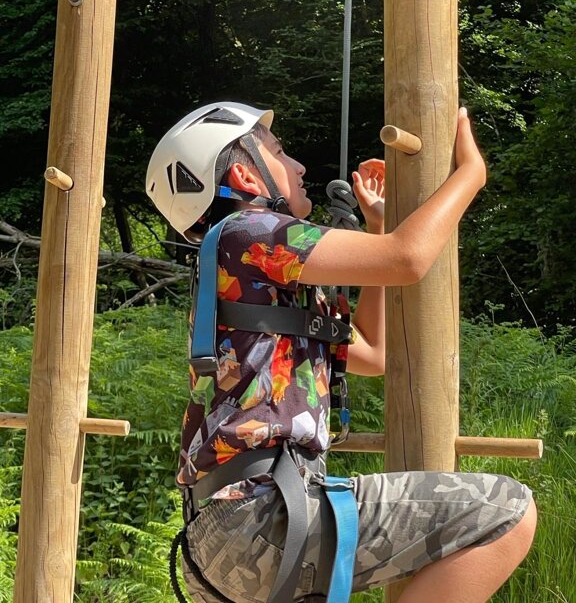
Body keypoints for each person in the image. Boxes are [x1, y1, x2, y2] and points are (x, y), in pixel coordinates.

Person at [146, 102, 536, 603]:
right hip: (263, 514)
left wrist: (377, 230)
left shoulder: (254, 271)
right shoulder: (249, 231)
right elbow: (408, 257)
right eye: (280, 152)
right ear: (245, 176)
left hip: (229, 531)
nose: (299, 167)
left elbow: (373, 353)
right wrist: (471, 174)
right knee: (507, 511)